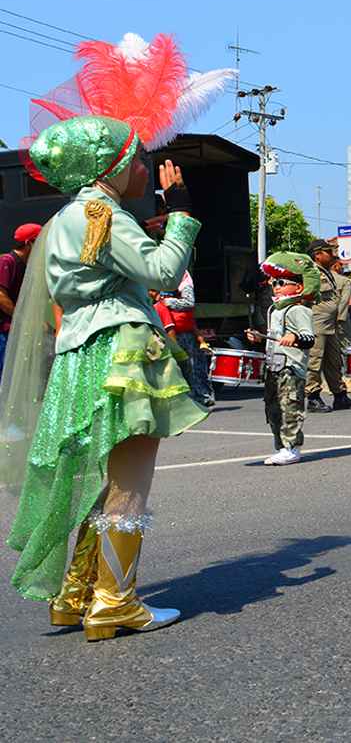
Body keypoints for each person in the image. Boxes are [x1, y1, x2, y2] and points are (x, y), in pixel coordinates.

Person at [6, 119, 207, 640]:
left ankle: (76, 595)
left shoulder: (64, 218)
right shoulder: (103, 213)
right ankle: (116, 602)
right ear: (112, 168)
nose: (145, 169)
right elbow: (164, 273)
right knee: (130, 483)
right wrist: (183, 211)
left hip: (80, 353)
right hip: (120, 349)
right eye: (138, 161)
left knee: (104, 478)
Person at [251, 253, 319, 466]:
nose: (276, 287)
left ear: (298, 287)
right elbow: (274, 337)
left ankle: (292, 447)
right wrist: (258, 337)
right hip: (274, 365)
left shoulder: (298, 309)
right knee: (272, 408)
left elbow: (309, 338)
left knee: (290, 406)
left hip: (290, 367)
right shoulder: (275, 310)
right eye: (274, 283)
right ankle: (280, 445)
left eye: (281, 283)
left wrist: (295, 337)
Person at [306, 239, 351, 413]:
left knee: (334, 361)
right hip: (317, 323)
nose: (333, 255)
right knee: (315, 360)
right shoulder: (311, 273)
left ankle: (340, 395)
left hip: (330, 324)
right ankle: (313, 397)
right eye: (328, 252)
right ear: (318, 255)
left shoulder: (326, 272)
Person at [160, 270, 214, 408]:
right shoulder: (157, 272)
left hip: (184, 331)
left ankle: (201, 396)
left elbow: (189, 302)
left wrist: (167, 301)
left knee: (193, 366)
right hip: (170, 329)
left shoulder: (182, 276)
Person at [0, 223, 42, 380]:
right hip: (3, 331)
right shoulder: (7, 261)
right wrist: (22, 317)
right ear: (29, 243)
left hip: (13, 329)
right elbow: (0, 295)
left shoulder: (26, 265)